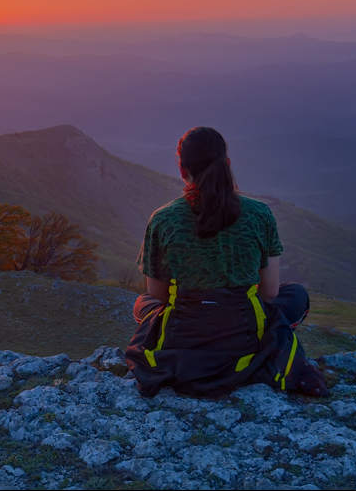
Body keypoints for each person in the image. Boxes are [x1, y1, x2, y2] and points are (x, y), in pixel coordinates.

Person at [125, 126, 328, 398]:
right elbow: (269, 292)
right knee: (296, 294)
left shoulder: (163, 219)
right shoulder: (260, 214)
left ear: (182, 169)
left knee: (143, 303)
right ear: (227, 164)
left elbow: (157, 294)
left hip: (182, 335)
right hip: (245, 335)